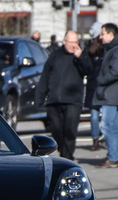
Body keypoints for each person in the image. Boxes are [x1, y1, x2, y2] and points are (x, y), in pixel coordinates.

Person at [35, 30, 92, 161]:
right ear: (64, 42)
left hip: (73, 100)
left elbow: (89, 71)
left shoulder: (81, 56)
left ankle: (67, 156)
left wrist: (81, 57)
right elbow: (45, 77)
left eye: (75, 42)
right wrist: (39, 98)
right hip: (54, 100)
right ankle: (63, 150)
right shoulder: (55, 55)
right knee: (56, 129)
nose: (73, 45)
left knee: (70, 129)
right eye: (70, 42)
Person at [94, 23, 118, 168]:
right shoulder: (116, 48)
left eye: (103, 33)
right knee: (114, 125)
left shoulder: (117, 50)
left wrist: (100, 80)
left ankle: (113, 157)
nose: (100, 36)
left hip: (111, 93)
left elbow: (115, 72)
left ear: (111, 35)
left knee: (107, 125)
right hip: (114, 92)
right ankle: (117, 157)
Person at [84, 22, 105, 151]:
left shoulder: (102, 46)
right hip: (96, 85)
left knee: (100, 116)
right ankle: (96, 140)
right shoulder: (92, 47)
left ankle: (98, 140)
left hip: (99, 84)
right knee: (96, 116)